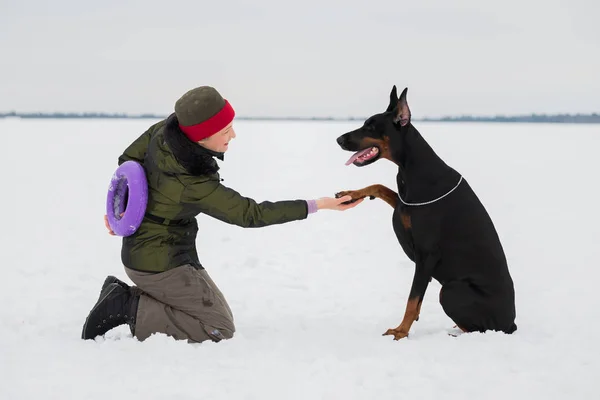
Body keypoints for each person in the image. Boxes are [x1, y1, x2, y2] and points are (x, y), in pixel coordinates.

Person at [81, 86, 362, 342]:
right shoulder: (192, 181)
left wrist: (123, 210)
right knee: (217, 329)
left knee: (217, 312)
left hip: (163, 250)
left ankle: (133, 297)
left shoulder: (166, 132)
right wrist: (318, 204)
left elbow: (128, 160)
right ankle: (126, 304)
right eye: (225, 131)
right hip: (156, 263)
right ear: (201, 137)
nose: (234, 135)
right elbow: (250, 214)